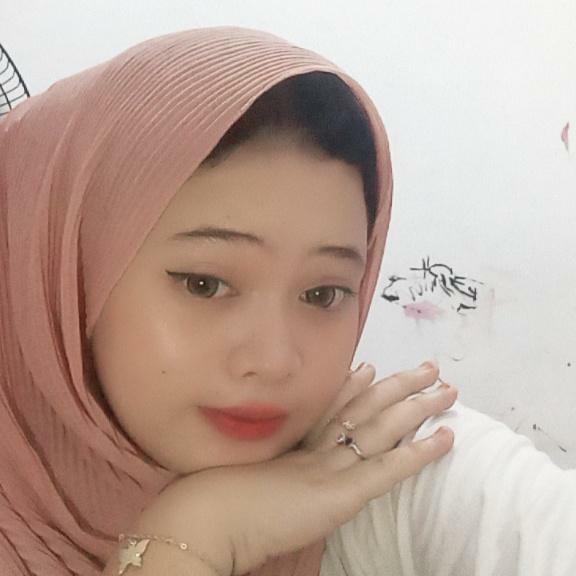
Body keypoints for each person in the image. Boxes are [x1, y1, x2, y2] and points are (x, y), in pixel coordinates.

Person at [0, 26, 574, 576]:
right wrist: (186, 544)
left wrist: (202, 525)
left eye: (323, 293)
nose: (275, 361)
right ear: (60, 272)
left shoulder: (396, 470)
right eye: (205, 284)